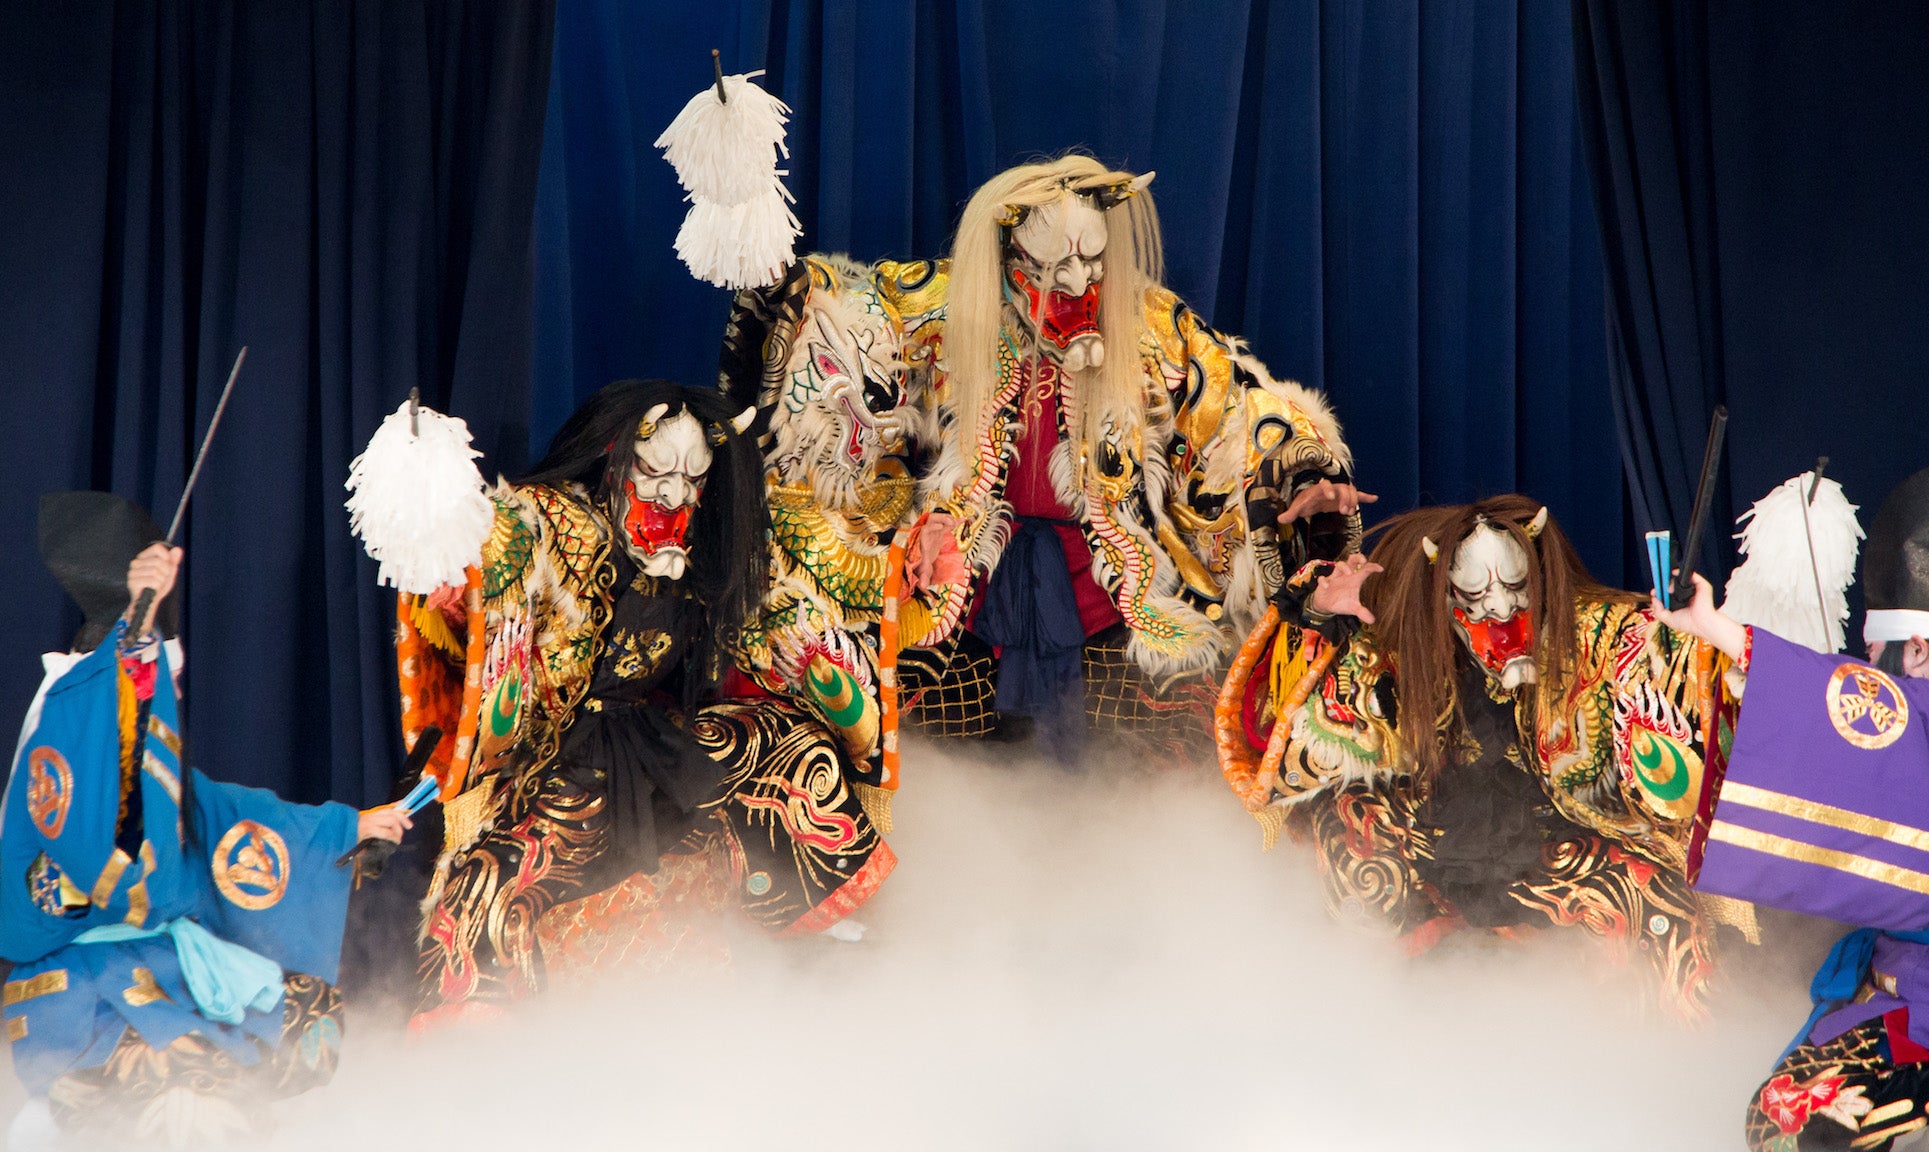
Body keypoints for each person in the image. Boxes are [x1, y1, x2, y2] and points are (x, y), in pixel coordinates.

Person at [720, 156, 1368, 765]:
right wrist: (785, 292)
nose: (1078, 282)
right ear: (1008, 255)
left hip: (1108, 594)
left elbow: (1235, 399)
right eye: (1053, 265)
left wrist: (1301, 471)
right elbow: (850, 316)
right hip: (962, 584)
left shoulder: (1147, 322)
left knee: (1135, 767)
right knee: (943, 758)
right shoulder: (943, 305)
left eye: (1092, 261)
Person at [394, 380, 893, 1030]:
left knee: (790, 744)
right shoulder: (552, 521)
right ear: (614, 460)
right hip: (556, 768)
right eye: (656, 472)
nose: (674, 495)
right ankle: (484, 1028)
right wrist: (462, 577)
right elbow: (499, 545)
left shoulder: (707, 543)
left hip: (659, 746)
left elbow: (789, 610)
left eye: (693, 477)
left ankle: (818, 945)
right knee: (492, 877)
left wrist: (910, 569)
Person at [1216, 495, 1753, 1020]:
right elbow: (1306, 740)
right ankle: (1362, 1012)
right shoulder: (1414, 645)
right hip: (1438, 832)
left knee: (1649, 898)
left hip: (1566, 842)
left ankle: (1656, 1047)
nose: (1498, 609)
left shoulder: (1596, 630)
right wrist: (1317, 621)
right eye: (1475, 598)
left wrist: (1715, 649)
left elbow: (1662, 658)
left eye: (1517, 590)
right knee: (1350, 823)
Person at [1655, 455, 1929, 1152]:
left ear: (1918, 646)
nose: (1867, 670)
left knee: (1784, 1118)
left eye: (1875, 652)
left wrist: (1715, 629)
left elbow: (1840, 706)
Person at [3, 494, 406, 1149]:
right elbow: (101, 814)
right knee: (177, 1063)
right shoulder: (64, 727)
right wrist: (138, 617)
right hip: (79, 982)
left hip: (157, 962)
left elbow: (224, 815)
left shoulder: (119, 728)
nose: (172, 687)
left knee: (307, 1013)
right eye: (163, 671)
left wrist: (351, 826)